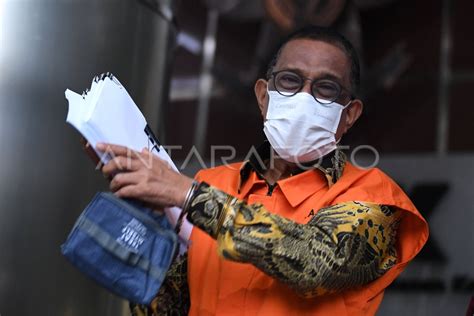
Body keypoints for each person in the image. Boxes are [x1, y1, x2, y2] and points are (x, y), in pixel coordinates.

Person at [95, 25, 429, 316]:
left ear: (350, 114)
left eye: (326, 88)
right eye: (289, 81)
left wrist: (186, 196)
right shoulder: (211, 183)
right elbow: (167, 308)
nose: (304, 98)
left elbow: (312, 263)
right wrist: (149, 213)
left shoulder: (374, 197)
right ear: (263, 96)